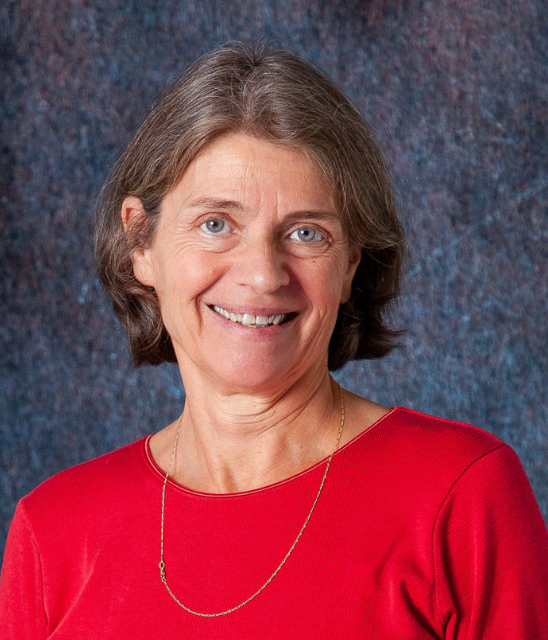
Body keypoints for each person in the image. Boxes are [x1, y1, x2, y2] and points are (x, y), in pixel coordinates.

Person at [1, 42, 547, 639]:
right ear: (142, 243)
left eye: (306, 232)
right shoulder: (53, 531)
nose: (263, 274)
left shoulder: (462, 496)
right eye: (216, 224)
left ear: (349, 266)